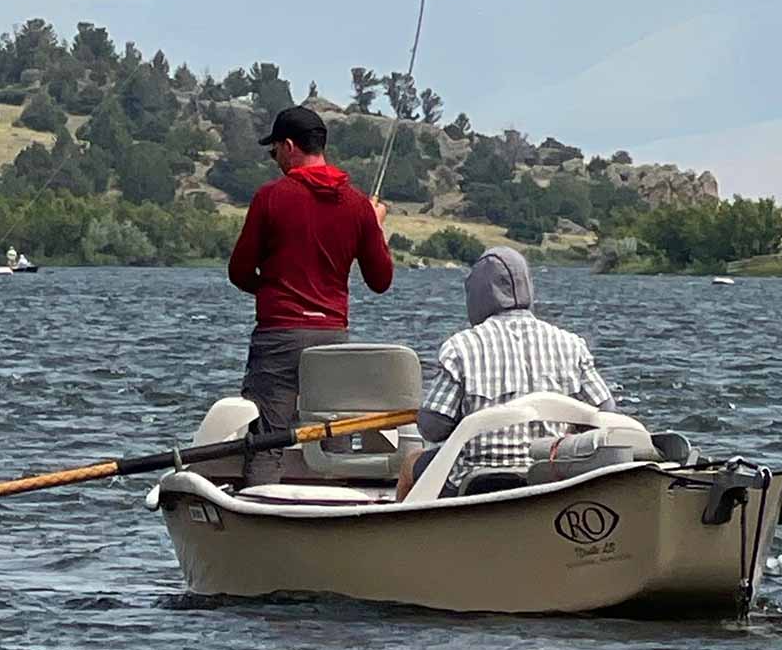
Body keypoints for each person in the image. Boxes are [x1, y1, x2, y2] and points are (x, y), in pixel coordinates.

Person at [228, 105, 393, 486]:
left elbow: (238, 271)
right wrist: (377, 227)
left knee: (268, 438)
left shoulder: (270, 197)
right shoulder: (357, 206)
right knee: (329, 433)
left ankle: (259, 514)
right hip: (334, 338)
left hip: (279, 337)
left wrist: (271, 289)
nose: (275, 161)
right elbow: (380, 280)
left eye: (274, 153)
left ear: (288, 147)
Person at [396, 246, 616, 500]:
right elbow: (606, 413)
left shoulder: (462, 346)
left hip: (477, 480)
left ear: (476, 295)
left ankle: (400, 535)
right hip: (549, 477)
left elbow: (433, 428)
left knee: (410, 464)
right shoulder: (571, 344)